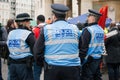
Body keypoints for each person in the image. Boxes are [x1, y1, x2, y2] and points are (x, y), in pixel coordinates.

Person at [34, 4, 81, 80]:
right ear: (65, 17)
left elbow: (37, 50)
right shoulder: (75, 28)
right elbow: (82, 47)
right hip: (72, 68)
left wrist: (42, 63)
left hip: (52, 69)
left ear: (54, 16)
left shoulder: (47, 29)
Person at [7, 13, 35, 80]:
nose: (29, 23)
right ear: (24, 22)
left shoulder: (11, 33)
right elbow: (35, 49)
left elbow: (8, 46)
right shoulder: (28, 34)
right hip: (24, 65)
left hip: (12, 65)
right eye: (28, 21)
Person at [80, 9, 104, 80]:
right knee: (97, 77)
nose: (87, 18)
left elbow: (83, 48)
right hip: (98, 59)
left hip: (88, 60)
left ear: (93, 18)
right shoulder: (101, 30)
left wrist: (80, 62)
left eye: (89, 16)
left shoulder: (88, 30)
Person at [32, 15, 46, 80]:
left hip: (37, 55)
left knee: (36, 73)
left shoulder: (34, 30)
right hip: (48, 54)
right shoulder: (49, 28)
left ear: (37, 20)